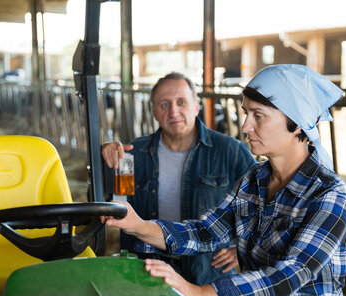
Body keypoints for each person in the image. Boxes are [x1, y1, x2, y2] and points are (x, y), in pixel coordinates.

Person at [103, 64, 346, 296]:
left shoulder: (331, 196)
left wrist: (198, 293)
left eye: (257, 116)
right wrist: (136, 225)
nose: (246, 126)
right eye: (246, 113)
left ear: (297, 124)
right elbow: (205, 232)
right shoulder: (254, 181)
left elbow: (289, 274)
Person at [102, 72, 256, 285]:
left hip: (206, 274)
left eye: (181, 102)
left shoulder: (231, 152)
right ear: (154, 111)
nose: (174, 112)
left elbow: (265, 205)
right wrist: (105, 159)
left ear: (196, 106)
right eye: (164, 105)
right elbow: (107, 203)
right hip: (146, 270)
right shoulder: (131, 154)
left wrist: (242, 248)